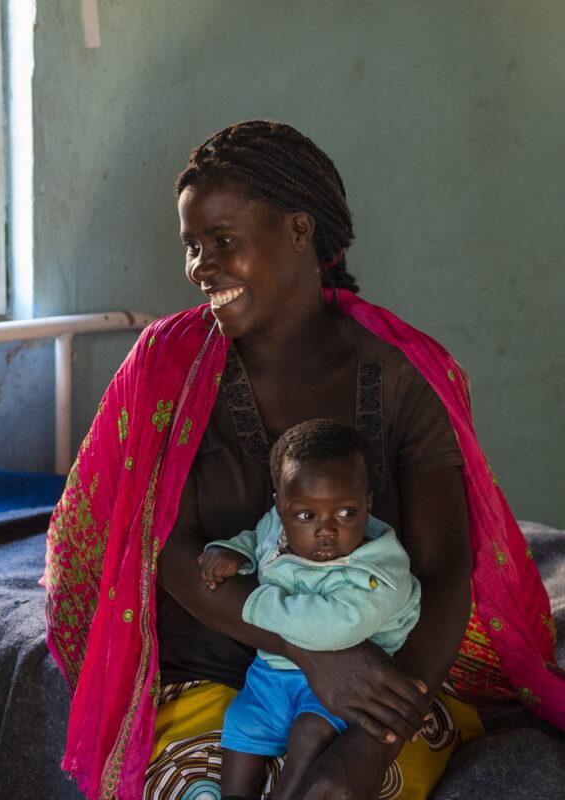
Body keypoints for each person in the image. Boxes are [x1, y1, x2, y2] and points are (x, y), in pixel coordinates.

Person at [45, 119, 563, 800]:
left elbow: (444, 571)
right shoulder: (170, 368)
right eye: (192, 247)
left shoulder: (405, 376)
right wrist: (311, 651)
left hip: (384, 678)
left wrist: (372, 742)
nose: (202, 267)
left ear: (299, 232)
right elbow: (166, 550)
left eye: (223, 242)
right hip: (215, 674)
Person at [198, 419, 421, 800]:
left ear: (368, 502)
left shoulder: (380, 570)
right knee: (242, 722)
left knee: (309, 732)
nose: (326, 530)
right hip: (271, 673)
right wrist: (235, 551)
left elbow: (333, 630)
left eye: (347, 513)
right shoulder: (277, 525)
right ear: (280, 506)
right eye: (306, 516)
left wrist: (251, 603)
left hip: (345, 681)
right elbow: (259, 541)